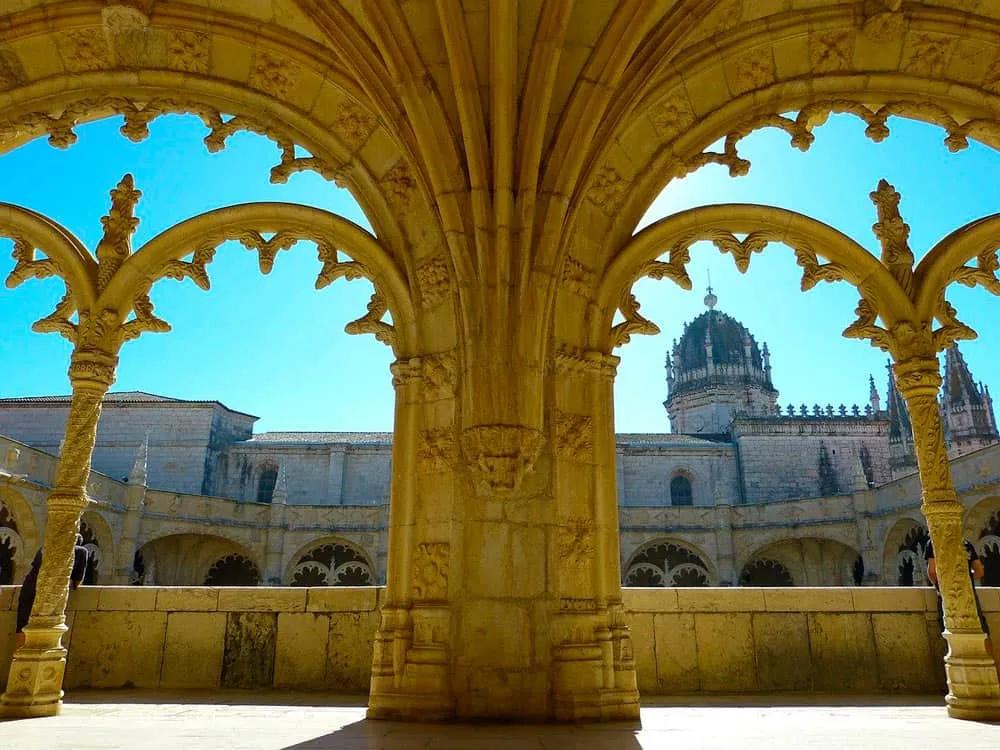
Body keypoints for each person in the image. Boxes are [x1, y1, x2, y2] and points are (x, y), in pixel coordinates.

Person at [924, 536, 994, 664]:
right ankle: (992, 669)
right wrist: (964, 577)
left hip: (947, 595)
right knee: (982, 632)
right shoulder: (965, 542)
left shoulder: (935, 541)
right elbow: (979, 571)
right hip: (970, 595)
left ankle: (958, 671)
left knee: (951, 633)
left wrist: (941, 588)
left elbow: (932, 571)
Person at [15, 534, 89, 649]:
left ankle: (19, 657)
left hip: (29, 585)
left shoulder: (45, 547)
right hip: (52, 590)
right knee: (47, 627)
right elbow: (78, 580)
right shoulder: (80, 551)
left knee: (22, 624)